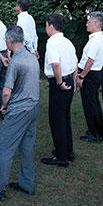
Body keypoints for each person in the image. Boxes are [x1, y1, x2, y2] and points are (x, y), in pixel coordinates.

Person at [0, 26, 40, 200]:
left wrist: (4, 106)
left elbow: (6, 91)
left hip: (19, 110)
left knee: (5, 148)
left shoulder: (15, 61)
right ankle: (27, 184)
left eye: (6, 40)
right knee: (27, 147)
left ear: (9, 41)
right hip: (33, 108)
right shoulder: (31, 57)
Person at [40, 14, 78, 168]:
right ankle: (68, 150)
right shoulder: (67, 42)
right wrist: (73, 81)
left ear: (51, 26)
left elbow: (56, 64)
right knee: (65, 117)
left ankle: (61, 156)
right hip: (68, 79)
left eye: (46, 25)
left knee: (57, 119)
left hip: (60, 82)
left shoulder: (52, 42)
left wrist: (60, 82)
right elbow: (75, 62)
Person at [75, 11, 103, 143]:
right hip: (94, 73)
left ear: (96, 24)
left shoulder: (96, 40)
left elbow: (90, 60)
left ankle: (95, 134)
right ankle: (96, 130)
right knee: (93, 102)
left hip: (90, 74)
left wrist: (82, 76)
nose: (86, 24)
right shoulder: (100, 39)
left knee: (90, 104)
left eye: (88, 21)